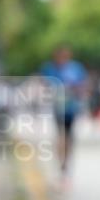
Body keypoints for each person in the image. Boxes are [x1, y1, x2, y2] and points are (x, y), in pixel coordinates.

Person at [40, 45, 88, 187]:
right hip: (58, 108)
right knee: (60, 136)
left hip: (71, 109)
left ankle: (66, 165)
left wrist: (76, 90)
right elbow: (45, 85)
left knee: (69, 138)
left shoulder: (76, 68)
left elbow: (83, 85)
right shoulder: (49, 68)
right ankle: (61, 165)